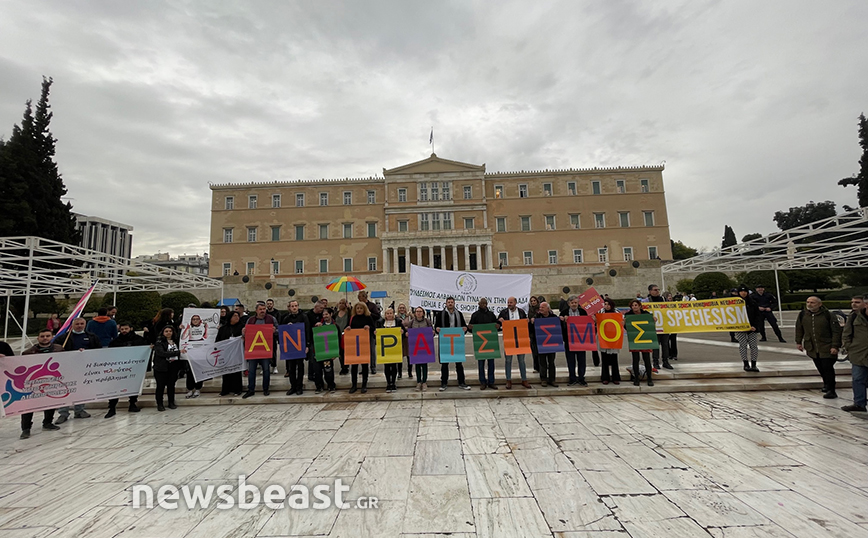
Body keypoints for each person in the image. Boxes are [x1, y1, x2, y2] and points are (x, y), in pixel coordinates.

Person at [18, 330, 64, 439]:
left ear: (52, 337)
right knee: (28, 406)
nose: (45, 338)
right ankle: (26, 428)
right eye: (42, 336)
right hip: (33, 384)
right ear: (38, 338)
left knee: (50, 402)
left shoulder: (59, 349)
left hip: (50, 382)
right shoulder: (28, 352)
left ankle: (47, 422)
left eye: (47, 336)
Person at [795, 296, 842, 399]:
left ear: (819, 304)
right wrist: (798, 342)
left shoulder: (828, 315)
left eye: (813, 302)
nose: (809, 304)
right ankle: (826, 384)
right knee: (820, 366)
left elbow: (836, 331)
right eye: (808, 302)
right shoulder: (803, 314)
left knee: (827, 367)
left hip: (826, 345)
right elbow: (799, 328)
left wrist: (835, 346)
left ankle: (831, 389)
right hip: (812, 346)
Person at [55, 318, 100, 423]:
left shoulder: (92, 337)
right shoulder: (63, 338)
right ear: (72, 325)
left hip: (84, 368)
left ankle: (80, 410)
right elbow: (56, 350)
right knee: (65, 390)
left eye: (82, 324)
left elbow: (98, 350)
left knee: (81, 389)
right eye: (77, 324)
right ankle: (63, 413)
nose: (79, 326)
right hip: (67, 368)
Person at [105, 322, 147, 417]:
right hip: (119, 369)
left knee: (133, 387)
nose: (124, 331)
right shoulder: (115, 341)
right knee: (115, 388)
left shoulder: (139, 340)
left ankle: (132, 404)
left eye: (126, 329)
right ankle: (112, 407)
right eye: (122, 329)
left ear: (131, 328)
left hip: (134, 368)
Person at [435, 297, 471, 391]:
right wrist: (437, 329)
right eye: (448, 302)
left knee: (459, 363)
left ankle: (462, 382)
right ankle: (443, 383)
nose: (450, 304)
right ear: (446, 303)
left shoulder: (459, 314)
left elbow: (463, 325)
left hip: (456, 341)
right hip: (445, 341)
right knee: (444, 363)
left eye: (452, 302)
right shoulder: (440, 314)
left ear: (454, 303)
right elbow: (436, 327)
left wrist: (465, 329)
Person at [242, 302, 277, 398]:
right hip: (253, 350)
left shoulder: (271, 319)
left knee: (266, 370)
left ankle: (266, 389)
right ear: (256, 310)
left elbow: (278, 331)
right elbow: (245, 333)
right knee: (252, 371)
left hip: (265, 349)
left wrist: (275, 331)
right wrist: (243, 332)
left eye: (264, 309)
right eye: (260, 309)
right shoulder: (250, 320)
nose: (262, 311)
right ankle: (251, 389)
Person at [841, 295, 868, 412]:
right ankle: (859, 404)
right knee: (858, 379)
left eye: (857, 302)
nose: (853, 304)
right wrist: (849, 347)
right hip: (858, 353)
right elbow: (846, 334)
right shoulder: (854, 317)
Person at [497, 296, 530, 389]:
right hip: (509, 340)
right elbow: (498, 324)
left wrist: (527, 321)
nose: (509, 304)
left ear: (515, 303)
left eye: (511, 302)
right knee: (508, 361)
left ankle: (524, 379)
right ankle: (508, 380)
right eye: (508, 302)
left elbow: (525, 324)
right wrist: (499, 321)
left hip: (520, 340)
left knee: (521, 361)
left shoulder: (521, 312)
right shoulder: (503, 312)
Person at [281, 300, 310, 395]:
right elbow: (282, 332)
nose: (294, 307)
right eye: (292, 306)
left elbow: (307, 331)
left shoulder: (303, 317)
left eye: (296, 306)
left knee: (300, 367)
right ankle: (293, 386)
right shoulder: (286, 318)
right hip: (290, 347)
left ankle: (299, 386)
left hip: (300, 346)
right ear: (289, 307)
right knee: (291, 368)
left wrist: (307, 345)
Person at [559, 295, 589, 386]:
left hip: (581, 340)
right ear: (568, 304)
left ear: (578, 303)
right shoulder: (563, 313)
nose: (574, 304)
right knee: (570, 360)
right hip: (569, 340)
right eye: (572, 303)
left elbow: (587, 325)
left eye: (575, 302)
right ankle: (572, 378)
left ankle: (581, 378)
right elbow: (559, 327)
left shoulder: (583, 312)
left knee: (582, 360)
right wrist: (563, 320)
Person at [469, 298, 498, 390]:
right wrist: (470, 327)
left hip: (490, 342)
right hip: (480, 343)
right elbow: (470, 327)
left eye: (485, 303)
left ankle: (491, 381)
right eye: (482, 303)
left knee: (491, 363)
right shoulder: (475, 315)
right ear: (479, 304)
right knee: (481, 364)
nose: (483, 305)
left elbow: (496, 325)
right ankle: (482, 382)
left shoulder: (491, 314)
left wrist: (498, 326)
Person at [153, 325, 182, 411]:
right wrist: (177, 352)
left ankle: (171, 402)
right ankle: (160, 404)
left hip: (173, 367)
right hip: (161, 367)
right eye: (166, 331)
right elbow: (161, 353)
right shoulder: (159, 342)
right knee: (160, 386)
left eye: (170, 331)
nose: (168, 333)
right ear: (163, 332)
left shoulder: (176, 341)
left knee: (171, 386)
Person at [626, 299, 654, 387]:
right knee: (635, 359)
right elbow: (627, 327)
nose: (634, 307)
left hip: (644, 338)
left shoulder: (646, 314)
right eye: (632, 306)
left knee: (647, 359)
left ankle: (650, 378)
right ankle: (636, 378)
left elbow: (650, 324)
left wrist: (653, 320)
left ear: (639, 306)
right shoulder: (628, 315)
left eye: (636, 305)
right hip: (634, 338)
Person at [404, 306, 433, 391]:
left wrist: (432, 332)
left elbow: (432, 331)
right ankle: (418, 382)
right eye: (417, 311)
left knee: (424, 365)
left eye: (420, 311)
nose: (419, 313)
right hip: (415, 346)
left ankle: (424, 382)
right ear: (415, 313)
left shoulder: (427, 321)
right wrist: (407, 334)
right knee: (417, 365)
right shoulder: (411, 322)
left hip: (425, 346)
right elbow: (407, 332)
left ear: (423, 313)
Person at [217, 311, 245, 396]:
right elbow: (218, 341)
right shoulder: (223, 328)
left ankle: (237, 389)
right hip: (226, 353)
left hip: (237, 353)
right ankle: (225, 389)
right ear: (230, 318)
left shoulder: (242, 327)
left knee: (236, 371)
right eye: (235, 316)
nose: (237, 317)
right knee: (226, 372)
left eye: (238, 316)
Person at [349, 302, 374, 393]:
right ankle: (354, 385)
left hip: (364, 344)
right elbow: (349, 328)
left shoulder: (368, 318)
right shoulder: (353, 318)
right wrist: (348, 328)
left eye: (361, 308)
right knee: (354, 366)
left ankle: (364, 384)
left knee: (364, 366)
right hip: (354, 345)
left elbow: (373, 328)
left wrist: (369, 327)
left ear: (364, 309)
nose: (359, 310)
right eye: (357, 308)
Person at [735, 285, 762, 372]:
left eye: (745, 291)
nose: (743, 293)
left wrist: (754, 326)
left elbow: (757, 315)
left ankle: (754, 364)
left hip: (752, 328)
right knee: (743, 346)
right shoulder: (734, 303)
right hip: (740, 328)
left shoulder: (752, 303)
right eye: (741, 291)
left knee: (753, 346)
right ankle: (745, 363)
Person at [646, 284, 673, 370]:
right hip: (654, 327)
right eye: (655, 290)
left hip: (664, 325)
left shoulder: (663, 299)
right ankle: (655, 362)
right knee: (655, 346)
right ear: (650, 291)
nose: (657, 291)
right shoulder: (647, 301)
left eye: (658, 289)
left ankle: (666, 361)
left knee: (665, 345)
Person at [533, 302, 559, 387]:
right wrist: (531, 322)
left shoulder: (554, 317)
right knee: (542, 362)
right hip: (541, 343)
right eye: (540, 307)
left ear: (548, 309)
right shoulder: (536, 317)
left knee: (551, 362)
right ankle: (543, 379)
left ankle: (552, 379)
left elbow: (558, 329)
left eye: (543, 307)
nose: (541, 309)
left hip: (551, 343)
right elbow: (532, 330)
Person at [377, 308, 403, 393]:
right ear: (385, 314)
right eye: (387, 313)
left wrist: (402, 332)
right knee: (387, 366)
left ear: (393, 314)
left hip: (395, 347)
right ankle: (388, 383)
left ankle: (394, 383)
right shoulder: (381, 322)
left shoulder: (398, 322)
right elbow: (377, 334)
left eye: (390, 313)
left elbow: (404, 332)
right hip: (385, 348)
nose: (389, 315)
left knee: (394, 366)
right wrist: (375, 334)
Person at [598, 298, 621, 385]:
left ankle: (616, 377)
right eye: (605, 304)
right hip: (604, 337)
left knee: (614, 359)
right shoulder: (601, 312)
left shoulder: (616, 311)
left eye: (608, 304)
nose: (607, 306)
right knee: (604, 359)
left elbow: (621, 321)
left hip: (614, 337)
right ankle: (605, 377)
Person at [316, 309, 338, 393]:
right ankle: (319, 386)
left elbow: (337, 339)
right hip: (320, 351)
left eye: (326, 314)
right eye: (323, 314)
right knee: (317, 371)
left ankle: (331, 385)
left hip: (329, 353)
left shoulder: (335, 325)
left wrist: (335, 353)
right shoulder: (320, 325)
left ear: (331, 314)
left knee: (328, 370)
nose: (325, 316)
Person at [334, 298, 351, 375]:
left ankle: (346, 367)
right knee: (340, 352)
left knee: (345, 351)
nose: (341, 304)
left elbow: (351, 316)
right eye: (340, 303)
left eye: (342, 303)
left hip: (345, 334)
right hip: (338, 334)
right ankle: (342, 367)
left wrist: (349, 307)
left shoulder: (348, 313)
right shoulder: (336, 314)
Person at [265, 298, 281, 374]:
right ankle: (265, 366)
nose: (269, 305)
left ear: (273, 304)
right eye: (268, 304)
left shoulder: (277, 313)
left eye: (270, 304)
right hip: (264, 336)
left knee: (273, 351)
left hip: (273, 336)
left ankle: (274, 366)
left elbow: (278, 325)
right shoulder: (264, 313)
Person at [396, 303, 411, 380]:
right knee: (400, 356)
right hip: (400, 338)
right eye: (400, 308)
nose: (402, 309)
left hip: (408, 337)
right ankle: (400, 373)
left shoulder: (409, 317)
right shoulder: (396, 317)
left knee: (409, 356)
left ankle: (410, 372)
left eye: (403, 308)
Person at [527, 295, 541, 373]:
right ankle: (536, 367)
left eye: (534, 301)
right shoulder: (530, 310)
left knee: (541, 352)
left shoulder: (541, 309)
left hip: (541, 333)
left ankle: (543, 367)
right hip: (533, 333)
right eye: (531, 301)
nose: (533, 302)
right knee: (534, 352)